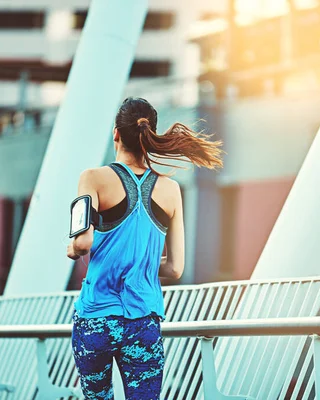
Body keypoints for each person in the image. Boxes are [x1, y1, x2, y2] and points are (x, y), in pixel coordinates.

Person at [66, 97, 223, 399]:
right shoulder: (170, 189)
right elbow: (175, 268)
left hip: (96, 319)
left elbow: (83, 242)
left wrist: (71, 249)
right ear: (149, 135)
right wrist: (141, 266)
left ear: (116, 133)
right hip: (143, 322)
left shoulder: (93, 178)